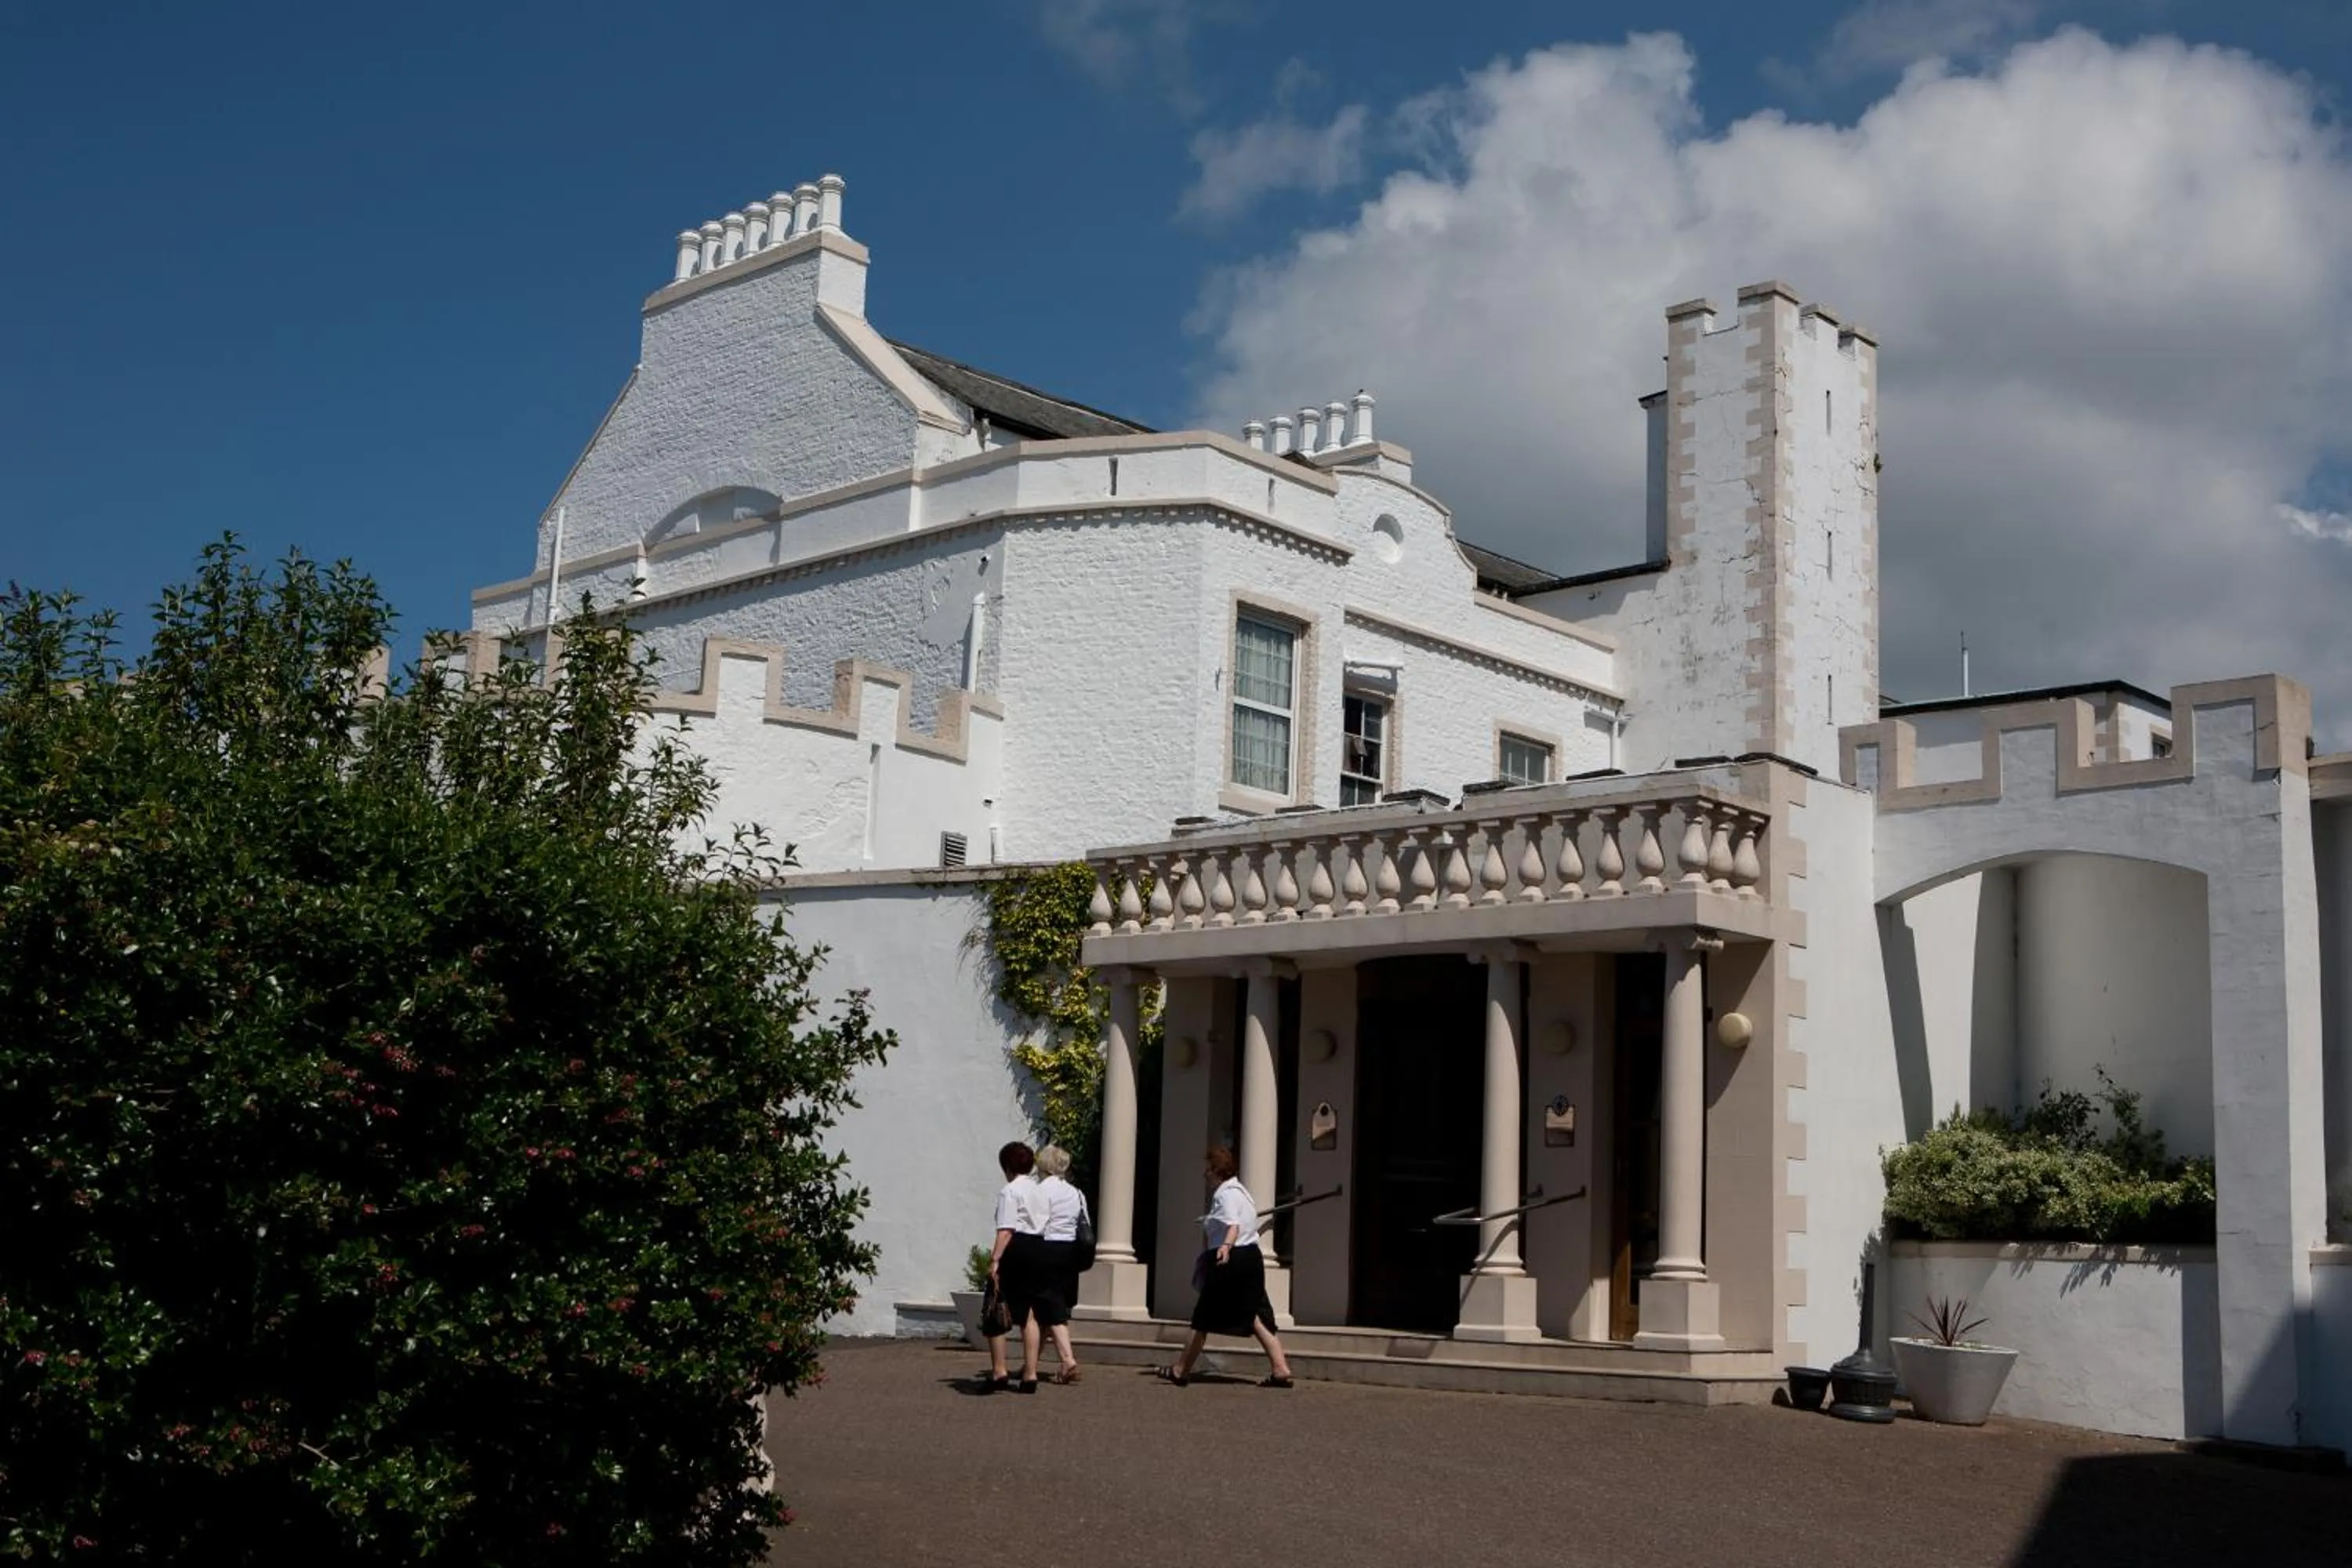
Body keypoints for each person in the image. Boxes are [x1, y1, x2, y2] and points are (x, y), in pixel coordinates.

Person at [1156, 1145, 1296, 1388]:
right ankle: (1280, 1368)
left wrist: (1225, 1247)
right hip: (1251, 1257)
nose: (1205, 1175)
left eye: (1208, 1170)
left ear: (1216, 1170)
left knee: (1203, 1315)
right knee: (1255, 1313)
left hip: (1231, 1258)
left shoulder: (1225, 1194)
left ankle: (1180, 1371)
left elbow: (1233, 1225)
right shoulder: (1242, 1192)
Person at [978, 1141, 1045, 1394]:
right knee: (1029, 1313)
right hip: (1039, 1247)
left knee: (996, 1303)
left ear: (1007, 1166)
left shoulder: (1010, 1191)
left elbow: (1006, 1229)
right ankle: (1030, 1373)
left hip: (1017, 1248)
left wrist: (995, 1260)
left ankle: (999, 1371)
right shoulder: (1039, 1190)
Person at [1030, 1144, 1087, 1385]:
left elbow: (1035, 1223)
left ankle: (1067, 1360)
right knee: (1052, 1305)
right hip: (1070, 1251)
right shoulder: (1076, 1192)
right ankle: (1031, 1362)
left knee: (1050, 1308)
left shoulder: (1041, 1191)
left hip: (1047, 1248)